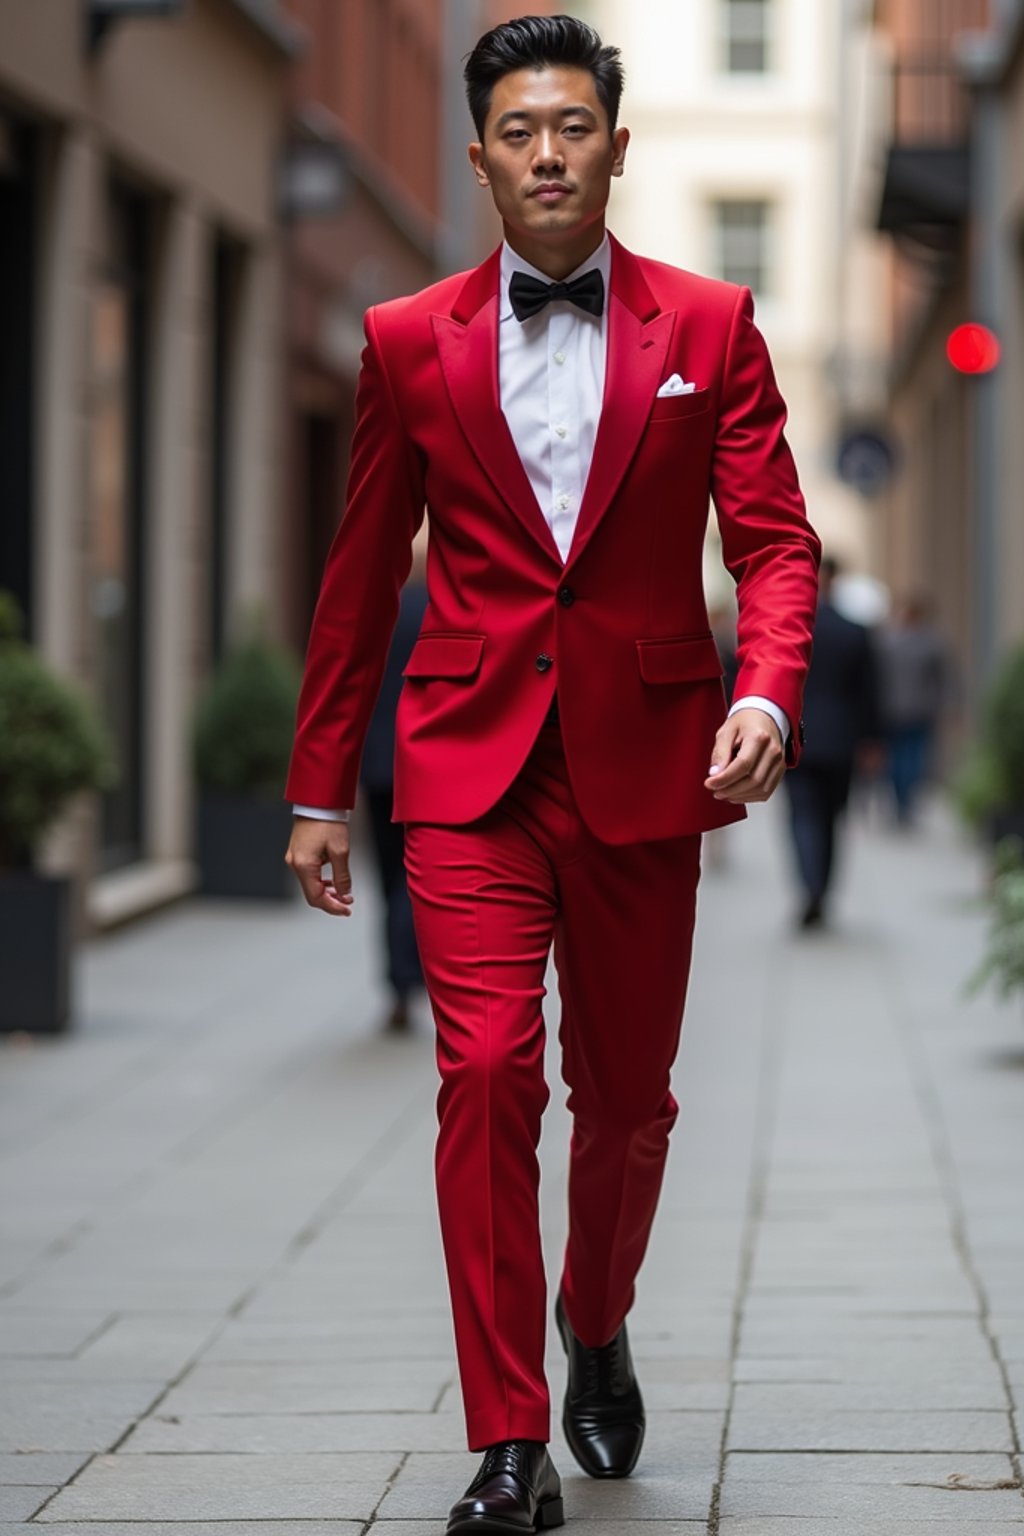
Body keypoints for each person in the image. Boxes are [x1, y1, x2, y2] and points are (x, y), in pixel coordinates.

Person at [284, 17, 819, 1533]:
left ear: (616, 146)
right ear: (479, 158)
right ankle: (507, 1443)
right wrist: (323, 782)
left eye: (572, 126)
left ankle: (596, 1313)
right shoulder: (403, 342)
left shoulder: (710, 327)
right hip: (466, 766)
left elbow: (774, 540)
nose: (547, 154)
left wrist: (768, 689)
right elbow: (354, 572)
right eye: (518, 131)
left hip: (649, 765)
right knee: (486, 1070)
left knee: (629, 1101)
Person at [357, 527, 429, 1030]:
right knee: (417, 880)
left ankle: (398, 984)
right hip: (426, 764)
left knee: (388, 880)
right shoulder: (439, 611)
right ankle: (411, 976)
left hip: (379, 763)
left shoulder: (380, 613)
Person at [784, 557, 879, 930]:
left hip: (800, 737)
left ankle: (810, 887)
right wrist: (872, 740)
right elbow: (869, 694)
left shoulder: (793, 627)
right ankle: (820, 890)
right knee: (831, 819)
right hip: (842, 740)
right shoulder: (854, 631)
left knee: (802, 817)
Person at [876, 591, 951, 826]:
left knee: (905, 759)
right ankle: (903, 803)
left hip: (909, 710)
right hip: (904, 710)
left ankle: (902, 803)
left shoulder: (888, 641)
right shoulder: (926, 642)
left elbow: (943, 679)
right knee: (906, 759)